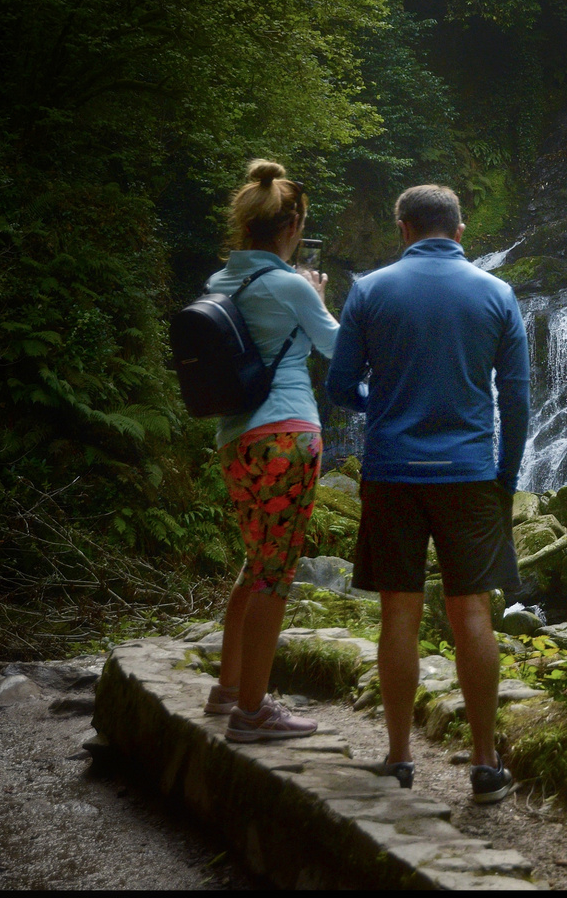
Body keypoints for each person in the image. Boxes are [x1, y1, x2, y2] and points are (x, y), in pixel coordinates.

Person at [325, 184, 530, 803]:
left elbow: (339, 387)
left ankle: (396, 757)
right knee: (472, 611)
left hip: (391, 474)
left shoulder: (370, 290)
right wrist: (506, 478)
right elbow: (516, 401)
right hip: (470, 475)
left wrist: (380, 406)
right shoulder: (498, 293)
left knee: (399, 612)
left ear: (404, 229)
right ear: (460, 232)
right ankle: (486, 764)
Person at [201, 159, 340, 742]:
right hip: (286, 433)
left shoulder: (219, 283)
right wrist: (318, 295)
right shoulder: (288, 283)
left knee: (255, 563)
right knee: (275, 574)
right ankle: (253, 711)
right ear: (292, 226)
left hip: (236, 438)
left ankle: (229, 687)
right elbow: (338, 346)